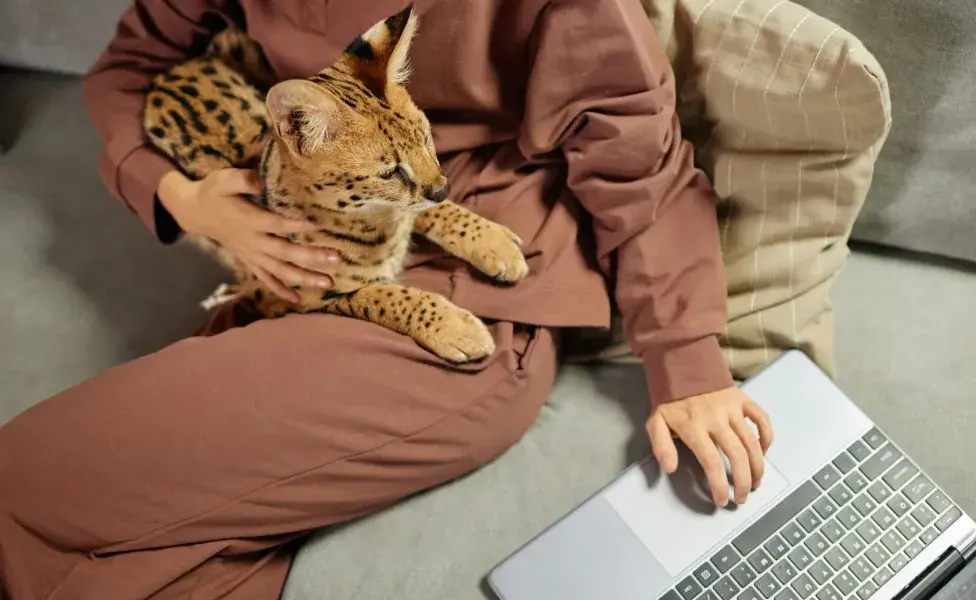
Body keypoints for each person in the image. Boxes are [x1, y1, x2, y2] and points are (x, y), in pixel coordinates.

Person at [0, 0, 774, 598]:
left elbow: (641, 167)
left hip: (470, 302)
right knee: (124, 547)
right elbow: (128, 68)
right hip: (309, 255)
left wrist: (691, 368)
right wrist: (187, 199)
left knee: (24, 482)